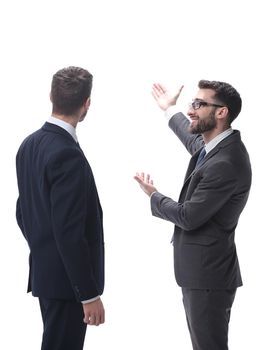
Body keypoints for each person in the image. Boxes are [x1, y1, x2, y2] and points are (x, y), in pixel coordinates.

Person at [134, 80, 252, 350]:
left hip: (208, 277)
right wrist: (169, 109)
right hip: (205, 274)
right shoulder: (216, 147)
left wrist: (154, 196)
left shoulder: (226, 162)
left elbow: (188, 216)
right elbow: (191, 138)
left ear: (221, 112)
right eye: (192, 103)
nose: (192, 110)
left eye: (199, 104)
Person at [16, 66, 105, 350]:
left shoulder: (28, 145)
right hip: (68, 284)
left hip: (47, 275)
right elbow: (69, 232)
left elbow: (23, 211)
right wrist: (88, 294)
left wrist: (43, 249)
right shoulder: (67, 154)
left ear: (51, 95)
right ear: (87, 103)